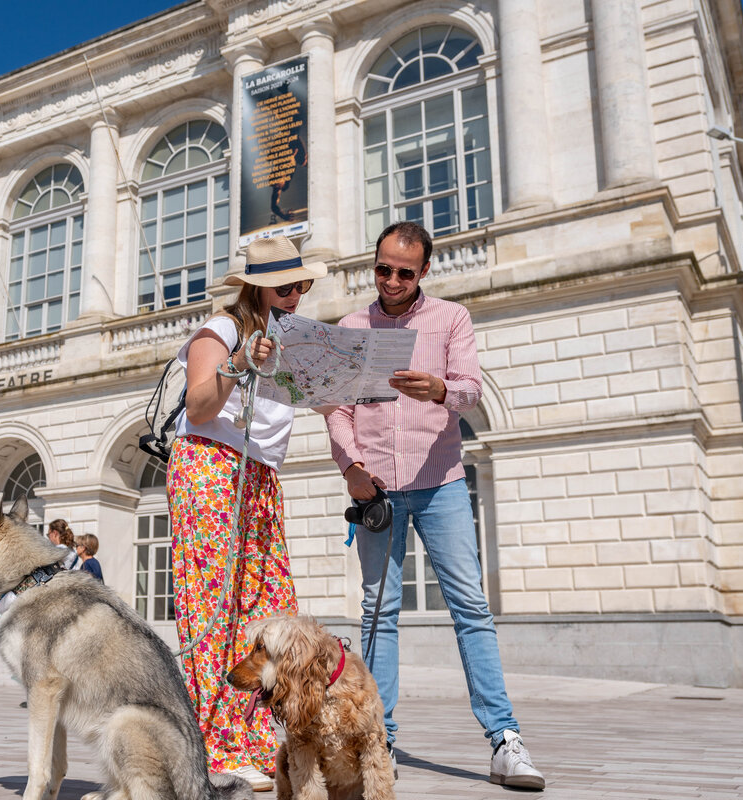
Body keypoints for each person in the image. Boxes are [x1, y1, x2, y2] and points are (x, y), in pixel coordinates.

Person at [323, 221, 545, 790]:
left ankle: (504, 740)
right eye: (382, 269)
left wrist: (441, 390)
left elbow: (470, 387)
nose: (392, 280)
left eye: (404, 271)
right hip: (377, 489)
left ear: (423, 271)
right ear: (373, 266)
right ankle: (380, 743)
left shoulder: (451, 319)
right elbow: (337, 408)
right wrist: (350, 469)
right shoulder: (350, 327)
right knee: (379, 613)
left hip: (441, 481)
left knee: (471, 606)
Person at [167, 234, 325, 791]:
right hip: (211, 467)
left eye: (302, 285)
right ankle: (213, 740)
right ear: (258, 289)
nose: (296, 295)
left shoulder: (290, 338)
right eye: (286, 286)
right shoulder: (223, 329)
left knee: (267, 602)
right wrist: (237, 363)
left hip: (259, 475)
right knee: (214, 601)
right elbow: (200, 403)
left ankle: (260, 734)